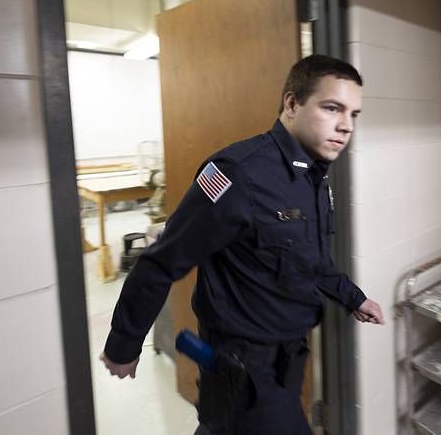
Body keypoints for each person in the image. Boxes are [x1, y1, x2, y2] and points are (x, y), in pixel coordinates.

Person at [100, 54, 384, 435]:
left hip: (287, 358)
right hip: (244, 367)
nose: (346, 126)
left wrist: (353, 297)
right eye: (332, 108)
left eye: (354, 114)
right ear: (292, 103)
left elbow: (309, 261)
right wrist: (124, 344)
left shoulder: (312, 178)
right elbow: (160, 262)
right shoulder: (238, 174)